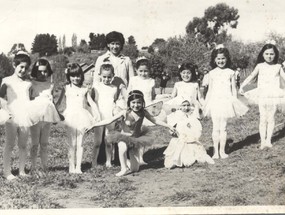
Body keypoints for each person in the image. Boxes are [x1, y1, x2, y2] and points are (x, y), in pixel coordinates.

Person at [89, 90, 175, 177]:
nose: (136, 105)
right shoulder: (125, 112)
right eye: (133, 102)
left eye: (139, 103)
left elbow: (155, 120)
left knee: (135, 169)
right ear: (129, 103)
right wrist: (94, 125)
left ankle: (128, 162)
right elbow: (110, 120)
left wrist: (169, 126)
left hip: (135, 139)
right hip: (124, 137)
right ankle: (124, 168)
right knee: (122, 147)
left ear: (142, 103)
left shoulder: (144, 112)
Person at [203, 44, 248, 159]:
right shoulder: (211, 73)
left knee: (223, 127)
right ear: (214, 59)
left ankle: (222, 151)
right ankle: (215, 152)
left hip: (226, 102)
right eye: (218, 59)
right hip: (215, 101)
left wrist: (234, 103)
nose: (221, 61)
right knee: (215, 127)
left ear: (227, 59)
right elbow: (210, 90)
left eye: (223, 58)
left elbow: (233, 89)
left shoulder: (230, 72)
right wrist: (206, 103)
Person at [239, 40, 285, 149]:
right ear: (263, 54)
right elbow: (251, 76)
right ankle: (262, 141)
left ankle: (269, 140)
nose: (269, 56)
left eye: (272, 54)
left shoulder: (278, 67)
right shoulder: (260, 66)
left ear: (275, 54)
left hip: (273, 94)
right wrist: (242, 86)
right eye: (267, 54)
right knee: (263, 118)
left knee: (271, 117)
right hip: (262, 94)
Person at [57, 63, 100, 173]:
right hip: (70, 117)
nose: (75, 78)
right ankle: (71, 167)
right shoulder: (66, 88)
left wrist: (97, 115)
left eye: (78, 76)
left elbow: (92, 103)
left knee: (80, 143)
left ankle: (78, 167)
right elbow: (58, 103)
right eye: (73, 76)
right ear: (69, 77)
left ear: (81, 76)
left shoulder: (84, 89)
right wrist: (54, 114)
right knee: (72, 143)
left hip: (82, 117)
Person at [0, 52, 35, 179]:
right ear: (14, 65)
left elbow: (30, 99)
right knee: (9, 144)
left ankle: (21, 171)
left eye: (26, 68)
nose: (23, 70)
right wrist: (6, 110)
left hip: (24, 115)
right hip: (12, 116)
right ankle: (7, 172)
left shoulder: (28, 83)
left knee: (23, 144)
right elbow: (1, 98)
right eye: (21, 67)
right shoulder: (7, 81)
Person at [128, 56, 167, 165]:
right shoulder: (133, 80)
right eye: (140, 71)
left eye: (146, 71)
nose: (143, 73)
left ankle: (141, 157)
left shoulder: (151, 81)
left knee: (142, 133)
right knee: (134, 133)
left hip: (146, 108)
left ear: (149, 71)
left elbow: (153, 95)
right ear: (136, 70)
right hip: (135, 108)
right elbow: (128, 94)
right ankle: (132, 156)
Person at [29, 59, 63, 175]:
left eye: (45, 71)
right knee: (34, 143)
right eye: (39, 71)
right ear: (35, 71)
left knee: (44, 143)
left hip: (47, 117)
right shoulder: (31, 84)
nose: (42, 74)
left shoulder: (50, 85)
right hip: (35, 117)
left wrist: (57, 115)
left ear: (48, 72)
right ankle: (33, 167)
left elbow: (52, 101)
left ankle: (44, 167)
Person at [92, 62, 127, 168]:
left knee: (109, 141)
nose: (106, 79)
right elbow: (93, 100)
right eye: (104, 77)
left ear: (113, 76)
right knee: (98, 142)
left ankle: (108, 161)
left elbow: (115, 101)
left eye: (109, 77)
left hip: (110, 117)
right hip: (99, 117)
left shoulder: (114, 88)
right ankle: (94, 161)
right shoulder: (96, 86)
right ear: (100, 76)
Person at [164, 100, 214, 168]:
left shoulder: (192, 117)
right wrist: (173, 132)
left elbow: (197, 130)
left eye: (188, 105)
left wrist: (191, 137)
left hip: (191, 140)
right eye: (184, 105)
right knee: (171, 163)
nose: (186, 107)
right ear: (180, 106)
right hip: (180, 141)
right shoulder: (176, 117)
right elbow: (172, 130)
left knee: (192, 159)